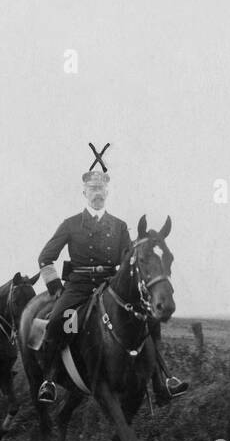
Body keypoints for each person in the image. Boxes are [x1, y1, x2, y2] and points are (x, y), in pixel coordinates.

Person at [36, 170, 187, 405]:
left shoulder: (119, 226)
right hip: (79, 286)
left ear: (107, 192)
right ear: (84, 192)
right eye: (92, 189)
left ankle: (164, 379)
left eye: (101, 190)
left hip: (110, 284)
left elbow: (128, 260)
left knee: (150, 319)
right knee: (60, 320)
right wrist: (56, 288)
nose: (97, 194)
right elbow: (45, 258)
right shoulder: (71, 224)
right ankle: (50, 379)